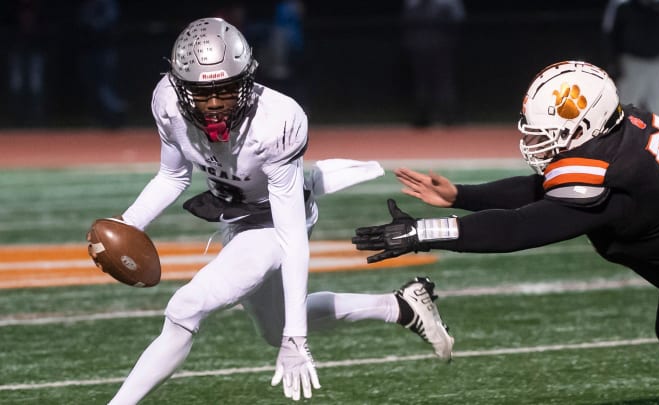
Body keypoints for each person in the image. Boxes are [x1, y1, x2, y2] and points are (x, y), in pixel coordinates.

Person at [106, 17, 453, 404]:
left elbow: (290, 236)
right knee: (272, 329)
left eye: (226, 89)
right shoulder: (168, 102)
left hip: (276, 219)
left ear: (247, 79)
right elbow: (173, 175)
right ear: (180, 86)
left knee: (186, 308)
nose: (216, 103)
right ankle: (403, 306)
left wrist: (297, 338)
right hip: (236, 217)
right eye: (203, 93)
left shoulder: (276, 121)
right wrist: (129, 223)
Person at [352, 60, 659, 404]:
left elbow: (520, 228)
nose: (535, 142)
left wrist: (422, 232)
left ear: (587, 125)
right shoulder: (620, 131)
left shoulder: (612, 173)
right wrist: (460, 196)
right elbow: (547, 188)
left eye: (549, 134)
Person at [602, 0, 659, 123]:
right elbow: (610, 35)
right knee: (626, 108)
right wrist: (613, 63)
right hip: (631, 63)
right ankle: (624, 141)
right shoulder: (620, 4)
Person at [402, 0, 465, 128]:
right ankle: (422, 117)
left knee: (444, 81)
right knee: (421, 82)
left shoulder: (448, 3)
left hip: (442, 44)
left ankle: (448, 117)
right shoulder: (413, 3)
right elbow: (406, 19)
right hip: (419, 44)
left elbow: (459, 19)